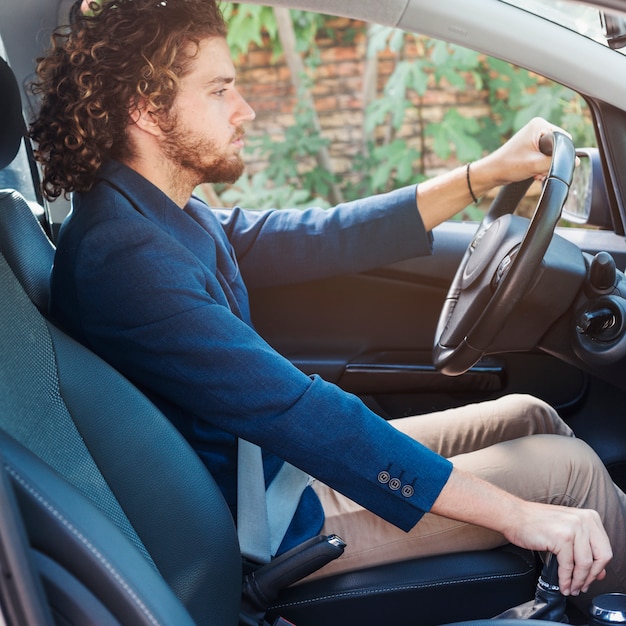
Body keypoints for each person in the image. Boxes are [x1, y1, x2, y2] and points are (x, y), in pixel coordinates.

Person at [29, 0, 626, 607]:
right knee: (564, 474)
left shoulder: (158, 213)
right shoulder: (124, 259)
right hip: (260, 522)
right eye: (220, 90)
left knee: (529, 414)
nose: (246, 109)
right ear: (147, 109)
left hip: (269, 473)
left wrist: (485, 174)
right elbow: (296, 411)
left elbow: (321, 236)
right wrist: (518, 515)